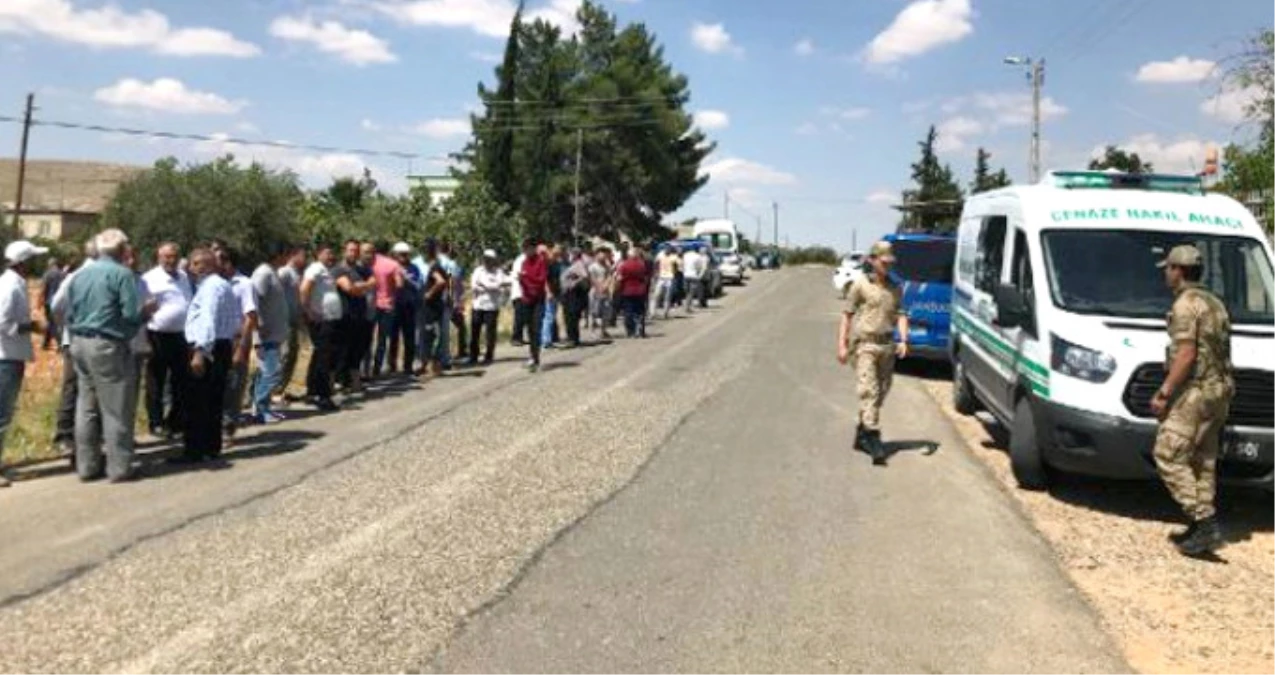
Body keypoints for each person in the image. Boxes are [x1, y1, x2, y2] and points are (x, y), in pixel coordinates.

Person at [1150, 245, 1235, 557]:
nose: (1165, 273)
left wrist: (1164, 393)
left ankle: (1205, 520)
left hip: (1197, 391)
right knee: (1203, 460)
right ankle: (1200, 530)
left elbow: (1186, 354)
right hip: (1220, 390)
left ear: (1179, 271)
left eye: (1168, 267)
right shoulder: (1215, 303)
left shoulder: (1186, 305)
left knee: (1168, 453)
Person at [67, 229, 147, 482]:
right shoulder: (122, 274)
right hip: (107, 343)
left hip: (79, 342)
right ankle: (120, 467)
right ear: (123, 250)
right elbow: (131, 314)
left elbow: (69, 310)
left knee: (86, 407)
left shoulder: (80, 275)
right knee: (116, 408)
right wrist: (148, 312)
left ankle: (87, 466)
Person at [837, 241, 909, 467]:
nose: (887, 266)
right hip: (865, 346)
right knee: (869, 391)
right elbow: (847, 315)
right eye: (883, 261)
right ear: (872, 260)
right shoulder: (860, 285)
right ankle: (874, 438)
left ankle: (861, 432)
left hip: (887, 347)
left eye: (890, 262)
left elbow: (902, 315)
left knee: (881, 393)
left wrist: (904, 339)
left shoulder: (895, 288)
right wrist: (842, 344)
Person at [178, 248, 239, 462]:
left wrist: (199, 352)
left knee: (198, 401)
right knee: (213, 399)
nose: (191, 268)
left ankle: (195, 450)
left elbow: (208, 320)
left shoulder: (211, 288)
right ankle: (211, 448)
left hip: (208, 347)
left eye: (195, 263)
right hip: (221, 345)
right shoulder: (222, 285)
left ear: (206, 265)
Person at [0, 240, 49, 487]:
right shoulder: (10, 287)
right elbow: (3, 322)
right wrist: (34, 326)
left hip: (10, 355)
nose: (36, 262)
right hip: (5, 357)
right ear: (23, 262)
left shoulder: (13, 283)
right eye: (32, 258)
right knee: (1, 413)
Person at [50, 242, 96, 461]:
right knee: (72, 388)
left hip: (89, 341)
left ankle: (82, 439)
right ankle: (64, 436)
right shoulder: (77, 277)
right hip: (77, 341)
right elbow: (57, 306)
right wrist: (68, 328)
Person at [141, 242, 192, 439]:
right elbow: (144, 307)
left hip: (180, 335)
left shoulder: (184, 277)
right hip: (157, 335)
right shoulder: (150, 279)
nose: (171, 260)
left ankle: (175, 422)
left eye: (174, 256)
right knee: (156, 381)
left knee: (181, 380)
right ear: (159, 257)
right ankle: (156, 422)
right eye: (166, 256)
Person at [213, 245, 257, 437]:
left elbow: (250, 316)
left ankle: (228, 426)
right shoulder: (213, 283)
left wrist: (242, 346)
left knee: (233, 385)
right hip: (214, 341)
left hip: (235, 341)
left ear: (227, 262)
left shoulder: (244, 284)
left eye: (217, 261)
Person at [249, 243, 293, 425]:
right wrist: (257, 328)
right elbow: (254, 299)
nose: (287, 259)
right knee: (271, 372)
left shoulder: (272, 272)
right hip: (266, 333)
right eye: (285, 255)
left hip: (274, 332)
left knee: (266, 372)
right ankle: (260, 410)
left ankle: (262, 407)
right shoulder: (263, 273)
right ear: (278, 255)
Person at [300, 245, 342, 412]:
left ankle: (313, 391)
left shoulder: (327, 270)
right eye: (327, 253)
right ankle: (323, 396)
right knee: (324, 357)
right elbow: (304, 288)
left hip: (329, 319)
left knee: (320, 355)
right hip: (321, 319)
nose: (331, 256)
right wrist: (308, 311)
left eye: (332, 253)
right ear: (318, 254)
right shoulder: (315, 268)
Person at [331, 240, 376, 393]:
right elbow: (349, 288)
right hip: (344, 316)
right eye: (350, 250)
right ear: (344, 251)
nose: (353, 253)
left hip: (360, 315)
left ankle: (354, 382)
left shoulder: (361, 269)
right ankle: (338, 382)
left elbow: (373, 281)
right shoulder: (338, 269)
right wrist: (362, 286)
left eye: (356, 251)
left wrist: (360, 286)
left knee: (357, 350)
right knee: (342, 350)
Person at [273, 245, 307, 402]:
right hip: (284, 320)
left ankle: (281, 389)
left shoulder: (296, 273)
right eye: (302, 255)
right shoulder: (284, 272)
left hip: (294, 319)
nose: (304, 259)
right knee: (285, 354)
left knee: (293, 354)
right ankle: (274, 391)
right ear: (293, 255)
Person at [416, 239, 451, 379]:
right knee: (430, 335)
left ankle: (432, 368)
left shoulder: (435, 267)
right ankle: (428, 366)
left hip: (431, 308)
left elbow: (441, 282)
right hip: (434, 306)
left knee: (428, 336)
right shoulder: (437, 266)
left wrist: (429, 293)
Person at [385, 242, 421, 375]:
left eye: (406, 254)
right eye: (401, 254)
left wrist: (406, 278)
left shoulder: (414, 268)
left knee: (409, 337)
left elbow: (418, 285)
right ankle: (392, 364)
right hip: (394, 306)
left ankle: (408, 365)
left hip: (409, 306)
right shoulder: (390, 267)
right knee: (393, 337)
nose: (404, 257)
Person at [370, 241, 405, 378]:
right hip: (388, 305)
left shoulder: (369, 263)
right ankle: (378, 368)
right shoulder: (393, 264)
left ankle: (364, 368)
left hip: (371, 304)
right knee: (382, 338)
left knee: (367, 338)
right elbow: (400, 284)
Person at [469, 249, 508, 365]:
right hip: (478, 305)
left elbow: (499, 285)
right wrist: (488, 287)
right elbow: (474, 286)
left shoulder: (498, 272)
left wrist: (486, 286)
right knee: (475, 332)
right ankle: (473, 356)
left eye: (490, 259)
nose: (487, 261)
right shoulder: (478, 271)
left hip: (491, 306)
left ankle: (489, 355)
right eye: (486, 259)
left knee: (490, 333)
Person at [518, 239, 550, 372]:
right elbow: (522, 280)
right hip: (526, 299)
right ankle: (532, 356)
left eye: (529, 249)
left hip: (538, 299)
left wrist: (526, 278)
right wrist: (522, 279)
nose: (526, 252)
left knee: (537, 328)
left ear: (534, 249)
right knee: (529, 329)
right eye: (524, 249)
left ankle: (535, 357)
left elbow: (541, 280)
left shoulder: (540, 261)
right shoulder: (524, 262)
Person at [437, 241, 467, 368]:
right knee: (447, 329)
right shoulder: (451, 264)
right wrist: (455, 299)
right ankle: (449, 356)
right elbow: (452, 281)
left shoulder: (433, 262)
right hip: (448, 299)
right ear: (448, 250)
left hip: (434, 300)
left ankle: (436, 357)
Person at [614, 247, 650, 339]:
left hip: (627, 291)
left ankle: (631, 332)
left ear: (629, 255)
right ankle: (641, 330)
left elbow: (619, 278)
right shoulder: (642, 265)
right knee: (640, 311)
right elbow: (645, 278)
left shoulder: (624, 265)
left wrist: (617, 289)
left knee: (628, 312)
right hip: (640, 291)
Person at [560, 248, 591, 348]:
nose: (570, 255)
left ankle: (572, 339)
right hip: (568, 294)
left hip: (573, 294)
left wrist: (574, 283)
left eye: (571, 254)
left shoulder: (578, 264)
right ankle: (573, 338)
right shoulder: (574, 265)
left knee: (571, 317)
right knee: (569, 317)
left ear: (575, 255)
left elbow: (585, 276)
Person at [541, 244, 564, 349]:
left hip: (556, 292)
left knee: (552, 315)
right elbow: (544, 279)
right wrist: (548, 292)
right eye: (556, 251)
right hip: (549, 293)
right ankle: (546, 340)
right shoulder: (547, 263)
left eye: (559, 252)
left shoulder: (557, 263)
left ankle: (549, 338)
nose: (557, 253)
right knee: (548, 316)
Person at [587, 247, 613, 340]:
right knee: (593, 312)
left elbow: (610, 275)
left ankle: (603, 330)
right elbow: (592, 279)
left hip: (606, 291)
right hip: (595, 291)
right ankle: (592, 331)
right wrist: (599, 287)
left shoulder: (607, 266)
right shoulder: (592, 266)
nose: (603, 256)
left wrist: (606, 285)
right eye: (601, 254)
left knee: (606, 311)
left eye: (604, 255)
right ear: (596, 255)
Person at [39, 257, 64, 351]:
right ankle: (46, 343)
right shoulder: (62, 274)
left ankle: (59, 343)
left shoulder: (48, 274)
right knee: (54, 323)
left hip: (49, 302)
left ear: (50, 264)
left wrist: (39, 301)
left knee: (52, 323)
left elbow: (43, 288)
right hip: (61, 303)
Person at [650, 245, 680, 320]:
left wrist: (674, 272)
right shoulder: (660, 254)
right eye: (666, 249)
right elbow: (655, 263)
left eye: (669, 250)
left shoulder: (674, 257)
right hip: (661, 277)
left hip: (670, 278)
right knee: (656, 295)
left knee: (667, 297)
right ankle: (652, 313)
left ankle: (665, 313)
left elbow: (678, 266)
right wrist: (656, 273)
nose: (667, 251)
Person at [509, 246, 529, 346]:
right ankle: (515, 338)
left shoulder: (526, 259)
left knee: (523, 317)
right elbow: (518, 274)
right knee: (519, 317)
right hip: (519, 293)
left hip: (524, 293)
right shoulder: (520, 260)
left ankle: (519, 337)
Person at [682, 245, 706, 314]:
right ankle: (687, 307)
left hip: (686, 275)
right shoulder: (697, 256)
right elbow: (699, 267)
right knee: (691, 293)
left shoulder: (685, 255)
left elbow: (682, 265)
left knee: (686, 292)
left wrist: (684, 271)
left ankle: (687, 306)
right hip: (693, 276)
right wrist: (699, 275)